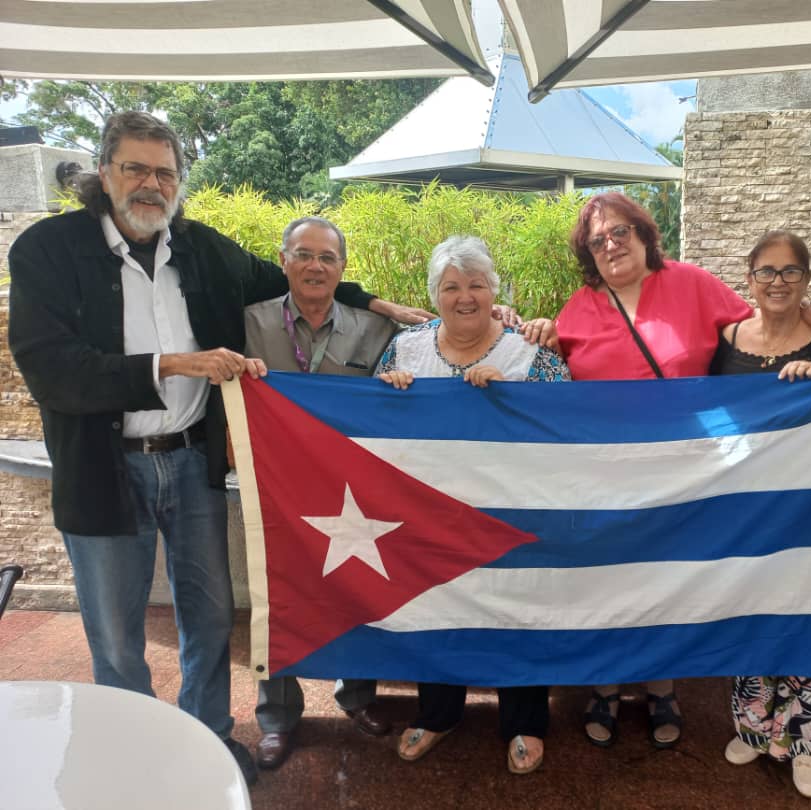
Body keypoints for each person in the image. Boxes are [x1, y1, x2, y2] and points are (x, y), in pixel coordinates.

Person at [5, 111, 427, 786]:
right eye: (136, 169)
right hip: (102, 468)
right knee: (117, 636)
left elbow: (294, 279)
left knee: (205, 619)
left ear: (179, 184)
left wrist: (376, 301)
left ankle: (205, 739)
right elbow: (54, 372)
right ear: (104, 172)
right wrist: (174, 364)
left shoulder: (201, 249)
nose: (151, 185)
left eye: (164, 172)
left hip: (192, 465)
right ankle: (129, 757)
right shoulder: (47, 251)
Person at [522, 191, 811, 751]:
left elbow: (759, 328)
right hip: (607, 479)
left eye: (620, 232)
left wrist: (809, 314)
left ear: (645, 234)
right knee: (610, 583)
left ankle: (661, 687)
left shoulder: (692, 284)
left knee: (667, 581)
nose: (611, 245)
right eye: (597, 240)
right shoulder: (579, 307)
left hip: (685, 474)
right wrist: (534, 329)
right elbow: (552, 371)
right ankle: (603, 687)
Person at [376, 235, 569, 774]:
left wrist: (514, 397)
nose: (465, 296)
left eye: (477, 285)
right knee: (436, 608)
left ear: (494, 292)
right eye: (451, 286)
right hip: (429, 514)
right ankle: (438, 713)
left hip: (511, 514)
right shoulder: (405, 348)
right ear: (434, 295)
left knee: (516, 612)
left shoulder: (530, 353)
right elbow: (373, 432)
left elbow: (566, 430)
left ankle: (525, 721)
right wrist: (387, 393)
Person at [243, 216, 399, 769]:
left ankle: (356, 697)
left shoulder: (374, 331)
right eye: (304, 255)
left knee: (355, 585)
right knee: (277, 596)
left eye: (327, 258)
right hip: (274, 491)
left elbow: (423, 364)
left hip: (348, 494)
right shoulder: (247, 325)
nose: (315, 266)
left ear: (342, 269)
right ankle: (278, 717)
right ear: (283, 260)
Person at [711, 230, 811, 799]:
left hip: (809, 503)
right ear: (748, 279)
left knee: (805, 616)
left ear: (807, 280)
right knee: (750, 611)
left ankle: (805, 742)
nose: (777, 283)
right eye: (766, 272)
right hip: (743, 501)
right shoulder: (724, 338)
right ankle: (752, 725)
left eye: (790, 272)